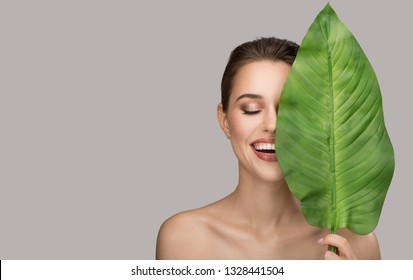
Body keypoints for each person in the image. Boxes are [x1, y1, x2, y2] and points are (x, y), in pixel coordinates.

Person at [156, 37, 381, 260]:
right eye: (251, 109)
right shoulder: (184, 239)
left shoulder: (353, 244)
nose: (272, 125)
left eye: (290, 109)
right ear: (223, 120)